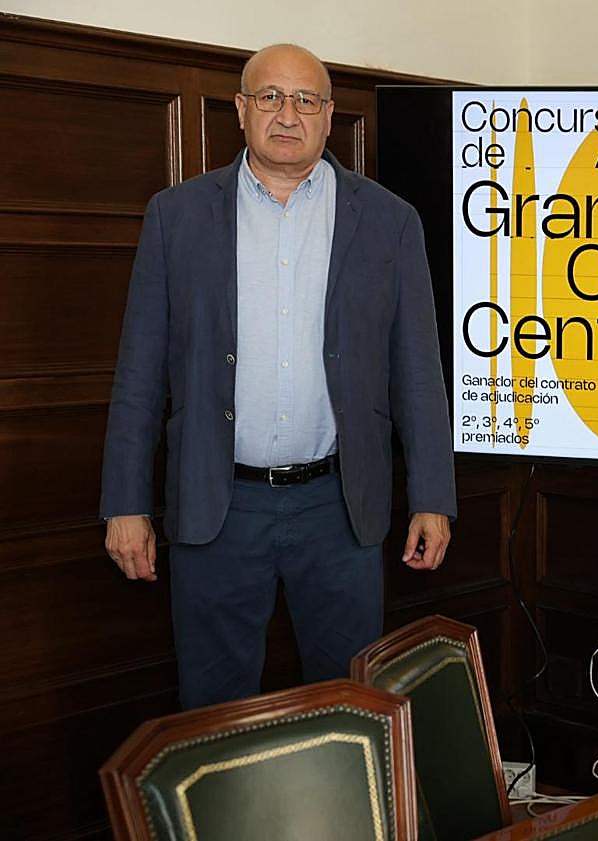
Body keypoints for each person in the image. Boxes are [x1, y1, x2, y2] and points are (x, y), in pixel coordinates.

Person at [99, 44, 456, 709]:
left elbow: (418, 368)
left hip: (339, 508)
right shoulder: (176, 217)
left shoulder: (388, 220)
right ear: (240, 110)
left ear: (328, 117)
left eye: (305, 100)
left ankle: (348, 820)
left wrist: (433, 494)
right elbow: (140, 370)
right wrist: (125, 502)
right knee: (213, 707)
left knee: (349, 702)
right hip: (217, 505)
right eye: (269, 97)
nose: (286, 114)